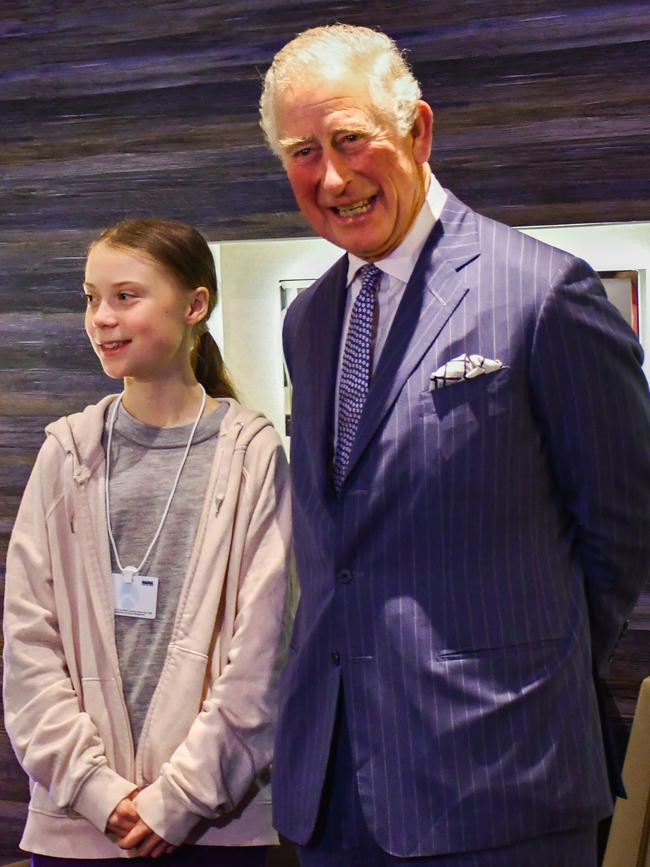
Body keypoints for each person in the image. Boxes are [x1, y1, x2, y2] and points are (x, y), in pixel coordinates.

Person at [258, 23, 650, 867]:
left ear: (417, 131)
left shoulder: (543, 295)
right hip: (333, 788)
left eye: (350, 139)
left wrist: (520, 660)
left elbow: (623, 528)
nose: (330, 176)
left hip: (500, 775)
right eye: (301, 151)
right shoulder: (309, 320)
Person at [3, 218, 291, 865]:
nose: (101, 317)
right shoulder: (65, 452)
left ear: (195, 304)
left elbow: (266, 651)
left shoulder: (251, 453)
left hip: (215, 823)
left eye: (125, 296)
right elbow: (28, 644)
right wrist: (99, 790)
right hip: (81, 825)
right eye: (90, 297)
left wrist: (179, 798)